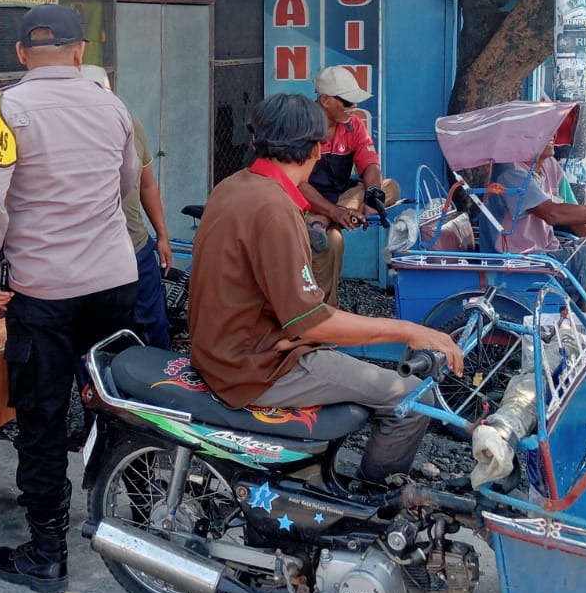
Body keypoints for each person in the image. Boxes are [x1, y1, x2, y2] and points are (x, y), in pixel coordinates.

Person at [188, 93, 464, 486]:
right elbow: (311, 322)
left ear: (256, 142)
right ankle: (373, 509)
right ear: (317, 149)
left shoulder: (233, 186)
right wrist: (410, 329)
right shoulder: (274, 208)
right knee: (412, 397)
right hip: (256, 368)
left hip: (227, 349)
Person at [0, 3, 141, 593]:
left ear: (20, 54)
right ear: (78, 52)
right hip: (114, 283)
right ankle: (142, 524)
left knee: (41, 421)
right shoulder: (113, 104)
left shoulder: (4, 107)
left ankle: (46, 554)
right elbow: (128, 183)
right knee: (118, 404)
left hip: (42, 293)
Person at [479, 141, 586, 306]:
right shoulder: (509, 173)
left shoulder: (550, 164)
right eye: (543, 128)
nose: (553, 135)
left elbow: (573, 214)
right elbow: (553, 214)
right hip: (516, 262)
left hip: (546, 252)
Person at [81, 65, 173, 348]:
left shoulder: (129, 123)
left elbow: (147, 185)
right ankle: (98, 389)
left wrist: (162, 236)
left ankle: (162, 384)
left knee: (154, 324)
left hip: (136, 246)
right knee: (96, 333)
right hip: (88, 255)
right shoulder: (69, 135)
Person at [300, 65, 399, 302]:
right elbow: (297, 183)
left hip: (338, 201)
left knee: (390, 187)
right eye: (346, 102)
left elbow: (370, 165)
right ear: (324, 100)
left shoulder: (354, 126)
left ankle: (321, 223)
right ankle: (323, 315)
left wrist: (373, 192)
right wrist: (334, 211)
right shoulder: (302, 127)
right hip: (305, 202)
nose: (353, 108)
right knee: (332, 243)